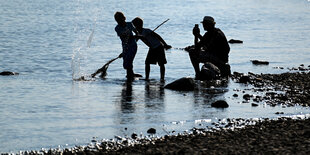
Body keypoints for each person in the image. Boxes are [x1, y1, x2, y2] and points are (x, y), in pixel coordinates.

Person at [114, 11, 139, 79]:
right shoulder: (117, 28)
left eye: (120, 19)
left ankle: (130, 75)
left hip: (133, 45)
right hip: (125, 46)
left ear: (124, 18)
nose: (119, 21)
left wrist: (135, 40)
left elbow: (137, 33)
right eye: (117, 20)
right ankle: (130, 74)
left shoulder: (130, 24)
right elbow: (122, 36)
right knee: (125, 62)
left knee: (129, 60)